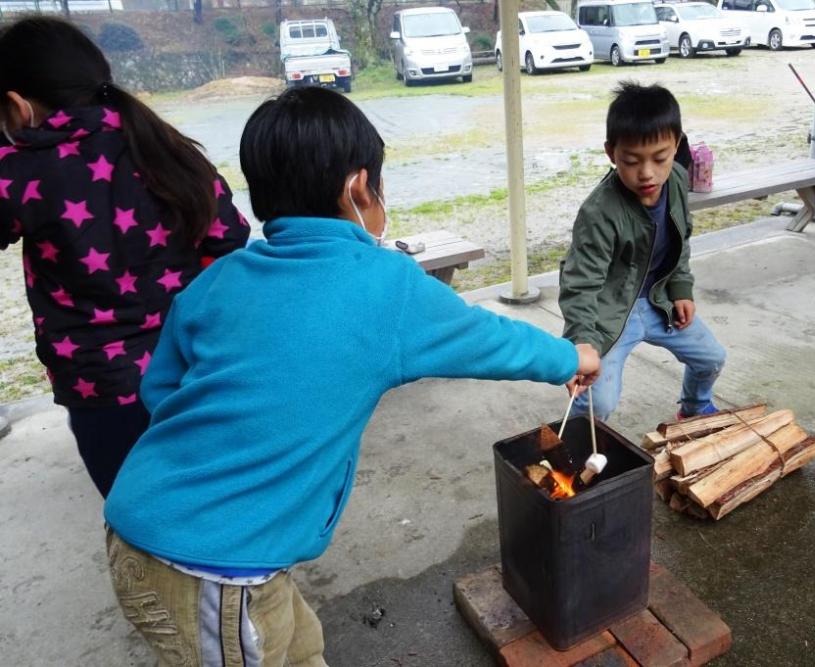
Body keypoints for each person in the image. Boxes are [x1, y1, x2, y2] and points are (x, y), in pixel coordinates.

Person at [102, 87, 600, 665]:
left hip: (171, 519)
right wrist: (573, 358)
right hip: (208, 563)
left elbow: (160, 390)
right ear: (359, 187)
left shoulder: (221, 278)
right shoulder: (383, 284)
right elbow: (491, 341)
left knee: (302, 646)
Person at [0, 18, 249, 496]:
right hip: (193, 370)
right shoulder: (164, 145)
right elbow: (229, 240)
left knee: (136, 511)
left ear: (18, 105)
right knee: (205, 497)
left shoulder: (19, 170)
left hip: (101, 388)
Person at [559, 82, 726, 421]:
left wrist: (681, 289)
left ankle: (694, 411)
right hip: (609, 315)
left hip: (659, 302)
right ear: (611, 153)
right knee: (599, 402)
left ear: (676, 146)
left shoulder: (677, 180)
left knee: (711, 357)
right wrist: (582, 342)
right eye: (631, 161)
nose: (647, 173)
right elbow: (580, 284)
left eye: (660, 158)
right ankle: (575, 451)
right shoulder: (599, 213)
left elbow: (681, 240)